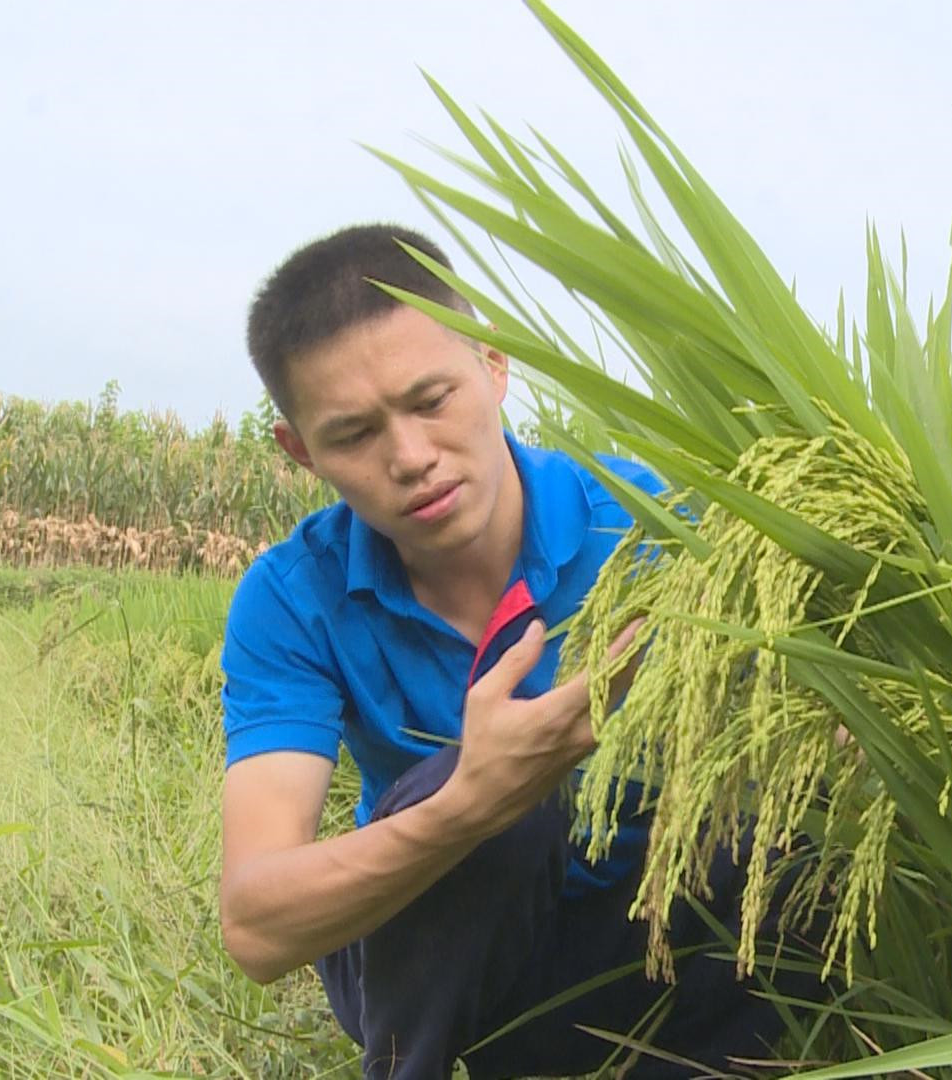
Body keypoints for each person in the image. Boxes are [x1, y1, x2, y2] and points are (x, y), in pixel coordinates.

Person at [217, 223, 825, 1080]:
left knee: (801, 810)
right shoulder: (292, 597)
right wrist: (473, 800)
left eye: (432, 400)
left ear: (493, 366)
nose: (411, 458)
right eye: (353, 435)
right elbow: (254, 926)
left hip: (637, 942)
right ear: (299, 450)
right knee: (487, 816)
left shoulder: (658, 530)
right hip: (434, 962)